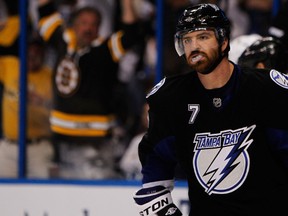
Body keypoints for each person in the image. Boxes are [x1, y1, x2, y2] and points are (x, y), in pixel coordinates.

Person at [133, 3, 288, 216]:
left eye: (203, 37)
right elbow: (155, 169)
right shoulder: (172, 98)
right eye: (187, 40)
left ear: (224, 41)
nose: (194, 46)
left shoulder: (265, 89)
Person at [37, 0, 140, 179]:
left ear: (99, 28)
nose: (88, 28)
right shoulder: (63, 40)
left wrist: (127, 2)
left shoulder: (105, 49)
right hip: (63, 137)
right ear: (74, 24)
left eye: (94, 24)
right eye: (84, 23)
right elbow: (44, 10)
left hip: (97, 139)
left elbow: (131, 34)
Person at [0, 0, 54, 178]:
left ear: (44, 53)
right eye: (29, 50)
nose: (33, 54)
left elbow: (54, 112)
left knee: (44, 194)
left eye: (37, 50)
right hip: (8, 147)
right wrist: (12, 24)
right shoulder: (10, 66)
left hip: (39, 147)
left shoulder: (50, 76)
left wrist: (39, 102)